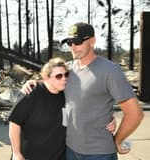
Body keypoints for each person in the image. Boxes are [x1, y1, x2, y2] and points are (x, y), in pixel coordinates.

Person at [22, 22, 144, 160]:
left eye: (78, 41)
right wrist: (33, 83)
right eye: (70, 42)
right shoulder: (67, 70)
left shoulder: (110, 71)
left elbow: (135, 114)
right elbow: (51, 83)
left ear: (92, 41)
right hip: (70, 150)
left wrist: (117, 140)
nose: (73, 47)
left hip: (99, 153)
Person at [9, 57, 68, 160]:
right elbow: (14, 122)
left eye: (66, 75)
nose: (64, 78)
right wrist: (16, 153)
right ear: (47, 78)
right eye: (59, 76)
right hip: (29, 156)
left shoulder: (66, 94)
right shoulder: (31, 93)